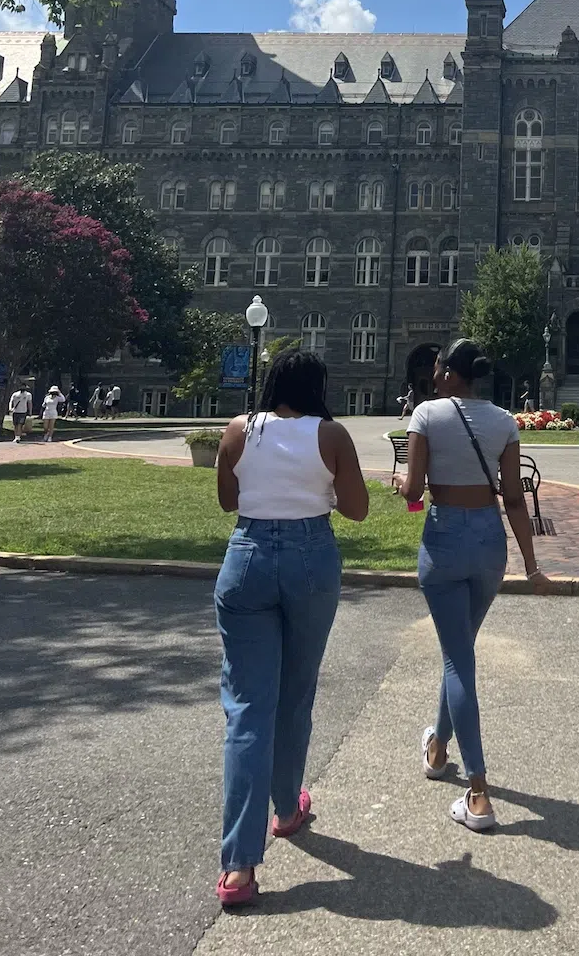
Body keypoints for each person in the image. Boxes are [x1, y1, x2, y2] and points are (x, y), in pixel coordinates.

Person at [211, 350, 369, 908]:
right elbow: (356, 510)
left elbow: (229, 500)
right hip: (309, 557)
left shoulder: (238, 429)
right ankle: (287, 808)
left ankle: (238, 868)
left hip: (247, 556)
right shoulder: (330, 435)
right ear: (316, 387)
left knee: (248, 709)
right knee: (296, 693)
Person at [395, 338, 553, 834]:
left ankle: (479, 792)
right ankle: (438, 750)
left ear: (447, 373)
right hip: (489, 541)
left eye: (439, 365)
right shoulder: (504, 422)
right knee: (458, 649)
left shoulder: (426, 415)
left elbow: (414, 490)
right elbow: (513, 500)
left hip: (444, 538)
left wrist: (399, 481)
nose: (435, 370)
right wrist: (531, 564)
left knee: (459, 659)